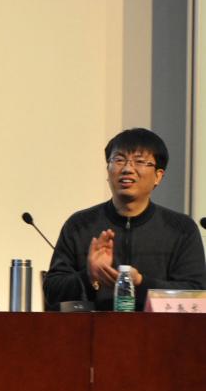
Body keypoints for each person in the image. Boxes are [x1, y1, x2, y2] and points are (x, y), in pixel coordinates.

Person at [44, 128, 206, 310]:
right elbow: (52, 292)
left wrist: (140, 283)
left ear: (158, 176)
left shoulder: (181, 229)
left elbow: (196, 293)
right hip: (93, 327)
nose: (128, 169)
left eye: (140, 161)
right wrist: (89, 275)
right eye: (119, 160)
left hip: (159, 328)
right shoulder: (80, 225)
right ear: (108, 171)